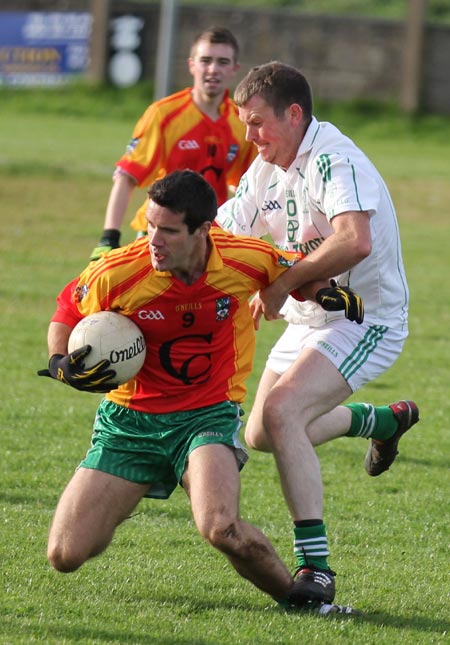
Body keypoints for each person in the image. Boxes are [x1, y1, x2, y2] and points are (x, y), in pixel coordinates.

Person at [38, 170, 363, 610]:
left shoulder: (241, 258)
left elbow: (290, 270)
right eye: (150, 226)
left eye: (168, 231)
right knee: (65, 554)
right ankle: (126, 490)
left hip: (205, 414)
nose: (154, 239)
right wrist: (61, 364)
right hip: (129, 422)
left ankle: (305, 600)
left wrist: (325, 293)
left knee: (220, 527)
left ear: (203, 230)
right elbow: (66, 309)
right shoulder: (119, 272)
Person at [216, 61, 419, 605]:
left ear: (295, 114)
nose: (249, 136)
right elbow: (224, 229)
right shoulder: (266, 169)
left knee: (284, 414)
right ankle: (382, 421)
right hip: (312, 318)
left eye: (257, 123)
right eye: (244, 124)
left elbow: (355, 241)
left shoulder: (333, 158)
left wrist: (282, 282)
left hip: (362, 319)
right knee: (262, 433)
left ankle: (316, 568)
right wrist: (158, 245)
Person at [90, 25, 256, 261]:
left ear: (234, 69)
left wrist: (247, 238)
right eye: (205, 60)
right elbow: (127, 176)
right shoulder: (164, 115)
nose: (213, 69)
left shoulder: (241, 122)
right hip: (159, 234)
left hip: (210, 237)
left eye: (222, 62)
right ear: (191, 65)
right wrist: (109, 236)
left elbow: (249, 188)